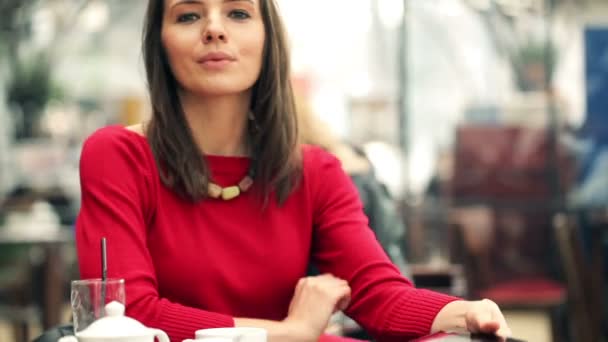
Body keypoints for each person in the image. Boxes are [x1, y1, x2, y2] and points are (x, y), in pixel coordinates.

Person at [75, 1, 512, 341]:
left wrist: (463, 311)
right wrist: (287, 334)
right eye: (188, 15)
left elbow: (379, 296)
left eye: (239, 12)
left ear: (268, 39)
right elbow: (126, 316)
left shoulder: (317, 171)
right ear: (160, 43)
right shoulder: (117, 155)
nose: (214, 28)